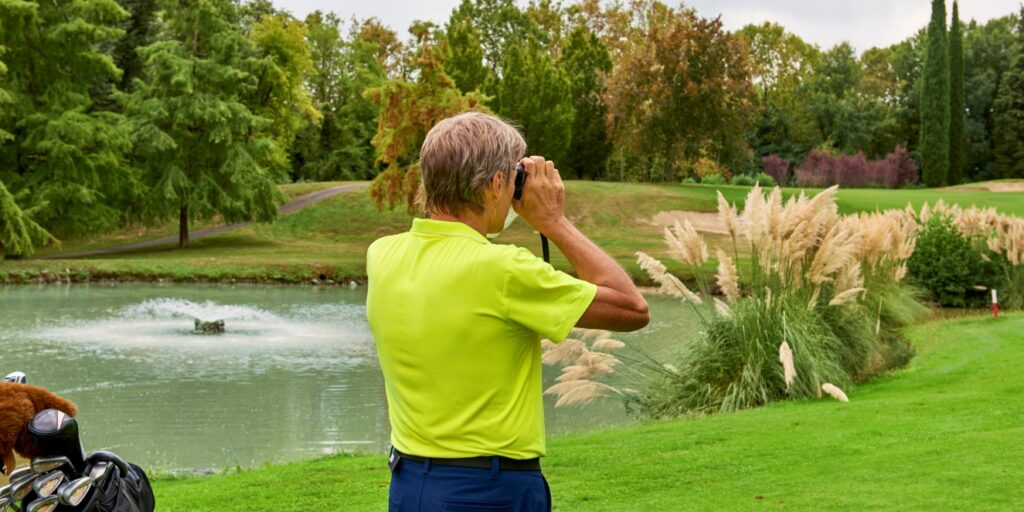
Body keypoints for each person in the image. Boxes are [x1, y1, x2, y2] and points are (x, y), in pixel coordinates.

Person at [366, 112, 649, 511]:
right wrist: (554, 222)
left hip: (410, 485)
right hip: (488, 491)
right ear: (498, 183)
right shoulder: (503, 270)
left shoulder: (382, 256)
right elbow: (632, 308)